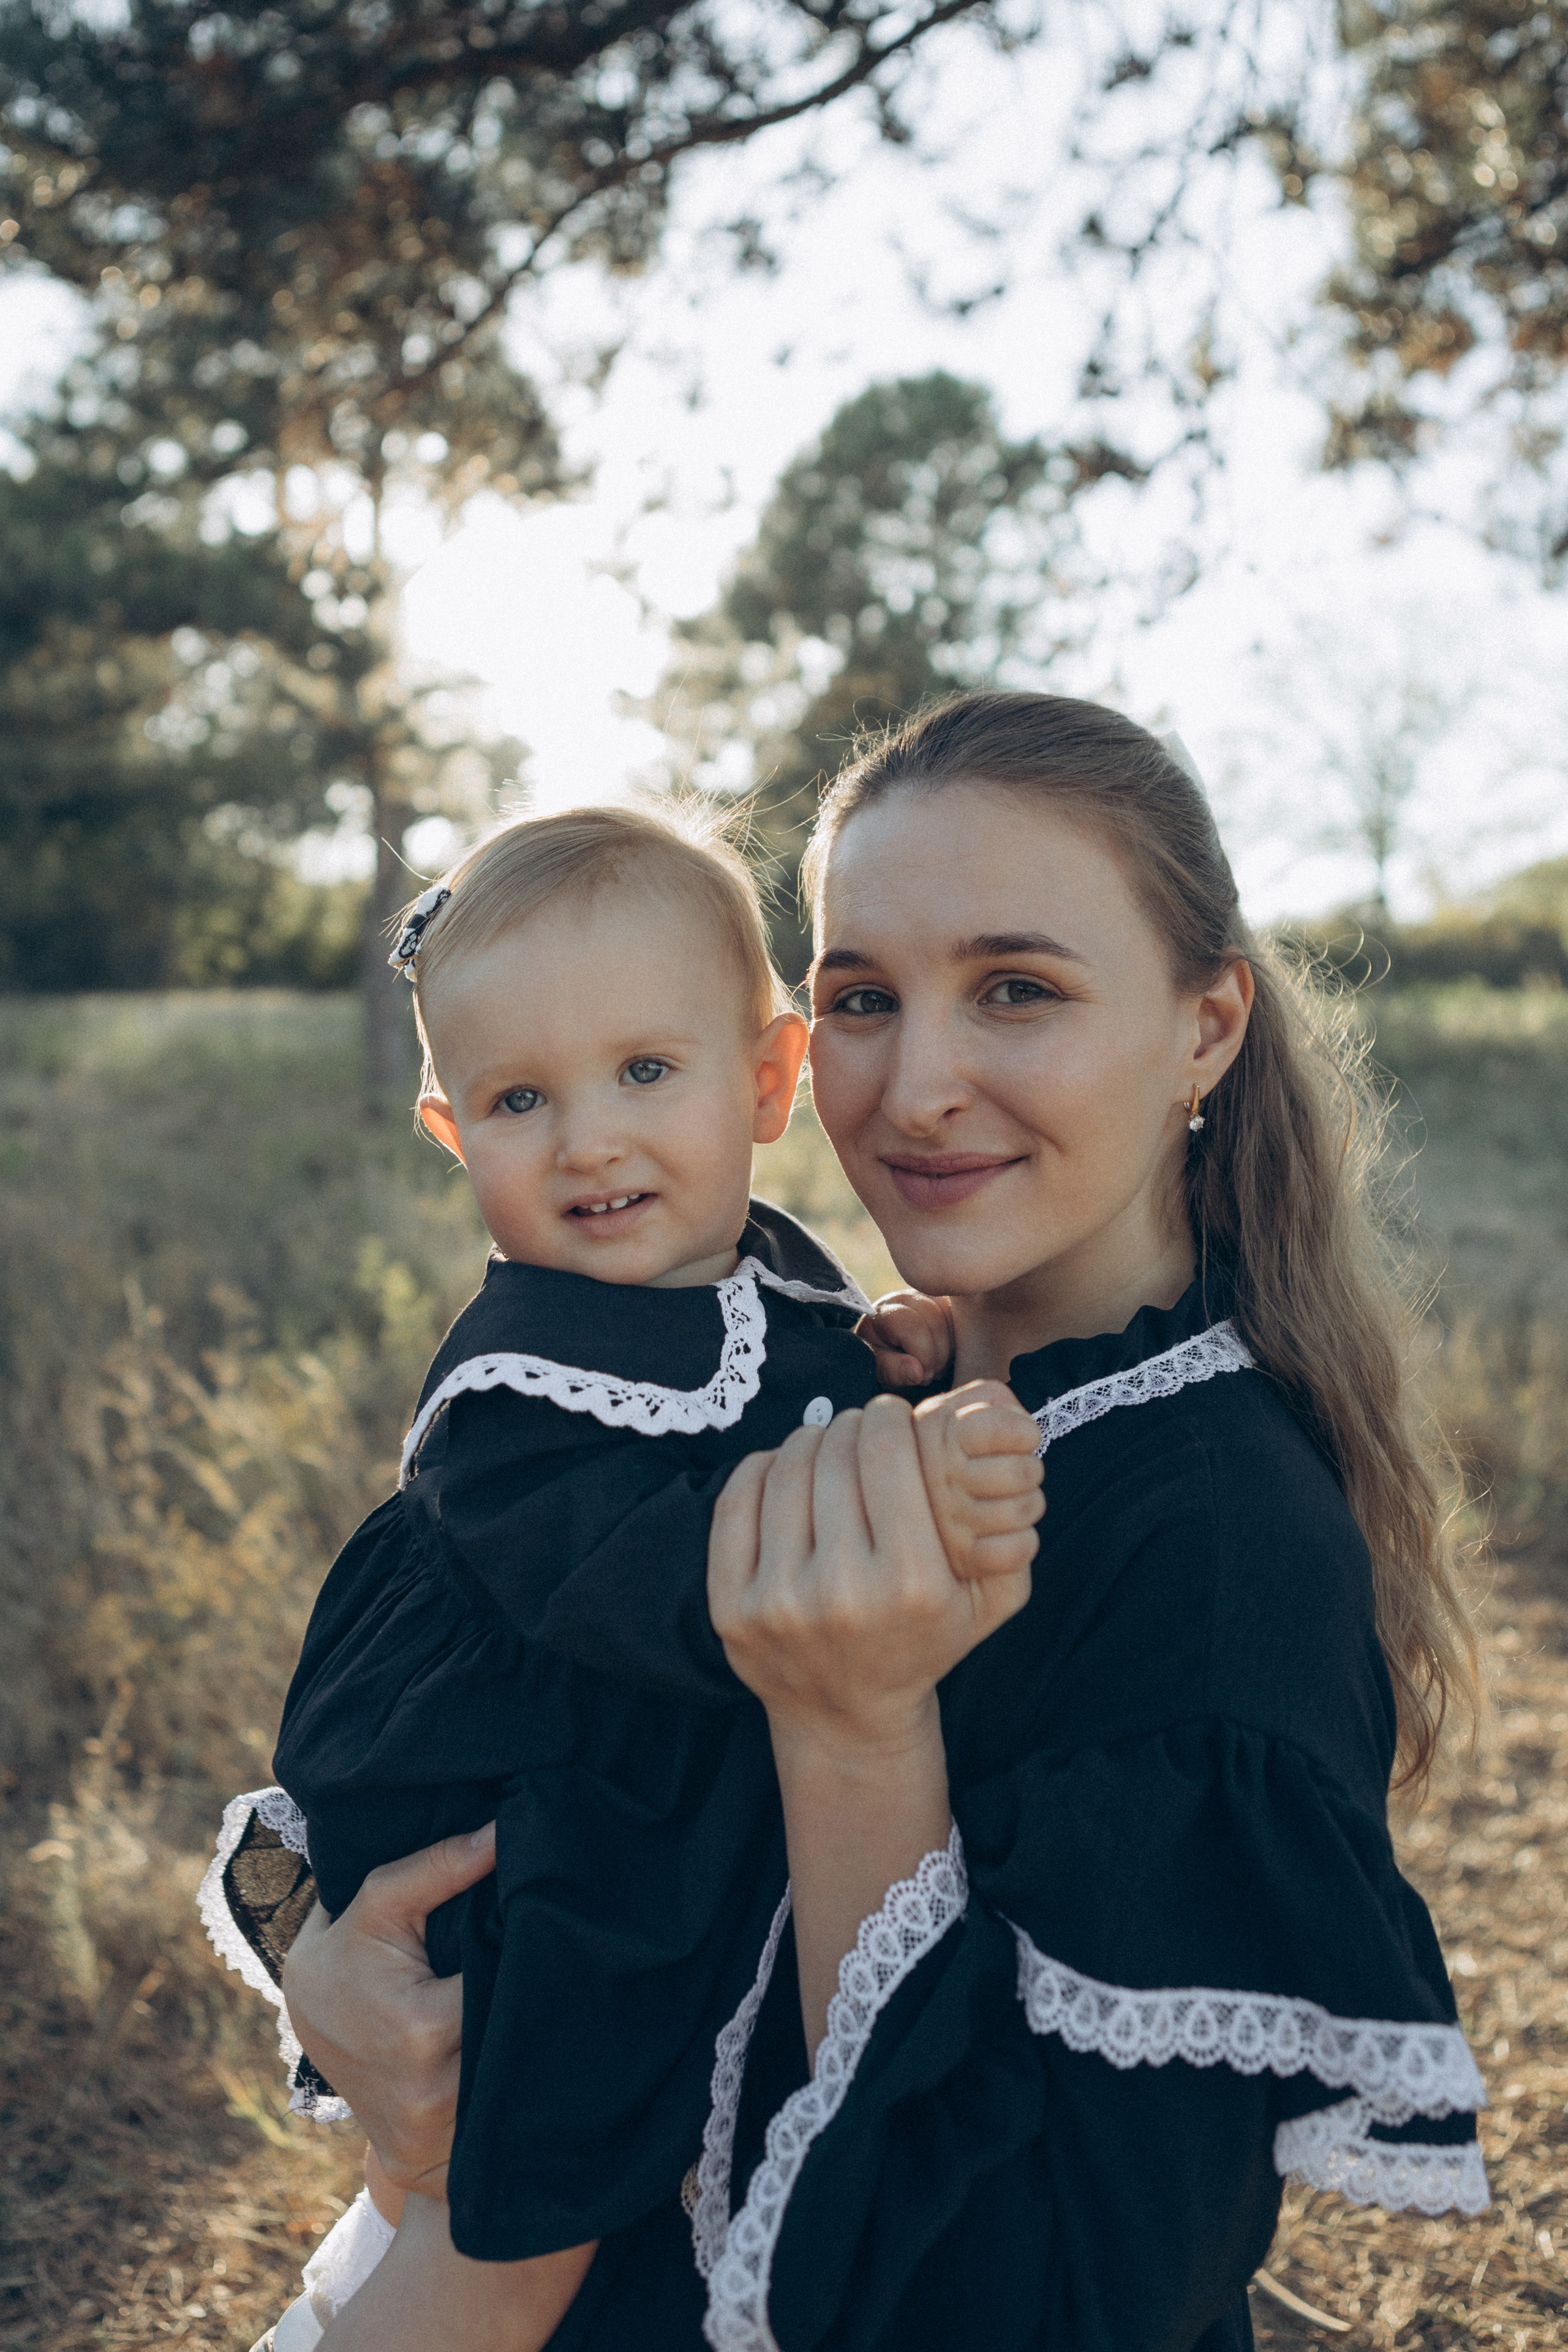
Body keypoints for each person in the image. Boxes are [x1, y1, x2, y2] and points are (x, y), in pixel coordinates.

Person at [284, 694, 1488, 2352]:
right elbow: (474, 1688)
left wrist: (852, 1729)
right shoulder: (821, 1356)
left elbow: (1060, 2304)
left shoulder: (1213, 1550)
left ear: (1205, 1026)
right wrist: (334, 1963)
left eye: (1016, 989)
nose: (917, 1088)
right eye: (863, 997)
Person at [198, 803, 1043, 2351]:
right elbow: (641, 1578)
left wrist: (891, 1365)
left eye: (644, 1071)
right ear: (453, 1133)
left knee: (606, 2179)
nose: (587, 1139)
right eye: (519, 1099)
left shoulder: (765, 1264)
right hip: (522, 1833)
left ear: (767, 1081)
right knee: (519, 2229)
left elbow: (789, 1371)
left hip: (637, 1801)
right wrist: (898, 1478)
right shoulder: (514, 1386)